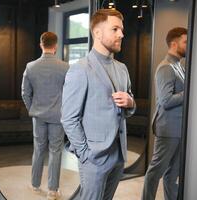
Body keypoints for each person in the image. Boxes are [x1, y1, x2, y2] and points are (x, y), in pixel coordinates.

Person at [61, 9, 136, 200]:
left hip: (119, 156)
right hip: (94, 158)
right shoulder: (80, 69)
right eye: (115, 29)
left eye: (122, 29)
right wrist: (86, 154)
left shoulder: (122, 68)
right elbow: (69, 118)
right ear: (97, 33)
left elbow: (127, 106)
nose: (121, 34)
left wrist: (130, 102)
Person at [21, 32, 69, 200]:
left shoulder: (30, 66)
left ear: (41, 45)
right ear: (55, 46)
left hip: (38, 116)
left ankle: (35, 185)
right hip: (58, 116)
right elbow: (70, 94)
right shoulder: (65, 67)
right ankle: (53, 191)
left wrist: (32, 108)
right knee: (55, 151)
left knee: (38, 149)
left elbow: (25, 93)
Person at [141, 27, 187, 200]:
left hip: (178, 130)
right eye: (185, 42)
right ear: (174, 44)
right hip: (168, 130)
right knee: (155, 172)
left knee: (172, 175)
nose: (187, 45)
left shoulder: (178, 66)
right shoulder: (166, 68)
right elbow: (165, 101)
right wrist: (187, 92)